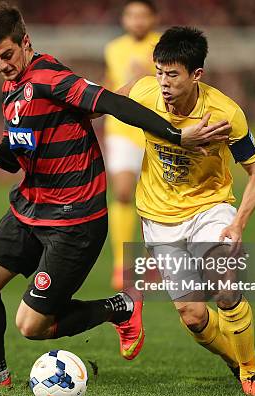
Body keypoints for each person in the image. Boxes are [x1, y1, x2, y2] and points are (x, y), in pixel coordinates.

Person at [0, 4, 230, 388]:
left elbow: (111, 103)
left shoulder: (51, 77)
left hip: (74, 220)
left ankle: (120, 308)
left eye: (7, 55)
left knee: (33, 325)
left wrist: (177, 136)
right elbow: (17, 161)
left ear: (25, 41)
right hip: (31, 209)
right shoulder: (13, 88)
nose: (1, 65)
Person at [117, 27, 255, 396]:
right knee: (193, 315)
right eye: (159, 71)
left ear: (196, 75)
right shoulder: (144, 92)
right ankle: (236, 361)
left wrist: (238, 223)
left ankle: (252, 374)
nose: (163, 82)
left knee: (225, 282)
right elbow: (106, 102)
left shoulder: (224, 113)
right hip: (158, 216)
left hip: (210, 208)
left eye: (172, 74)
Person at [104, 0, 161, 291]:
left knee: (155, 201)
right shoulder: (113, 48)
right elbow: (111, 83)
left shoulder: (165, 46)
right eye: (131, 15)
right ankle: (121, 265)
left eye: (143, 15)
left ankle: (157, 261)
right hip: (122, 129)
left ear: (153, 18)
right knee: (124, 192)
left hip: (155, 130)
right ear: (124, 19)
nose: (137, 20)